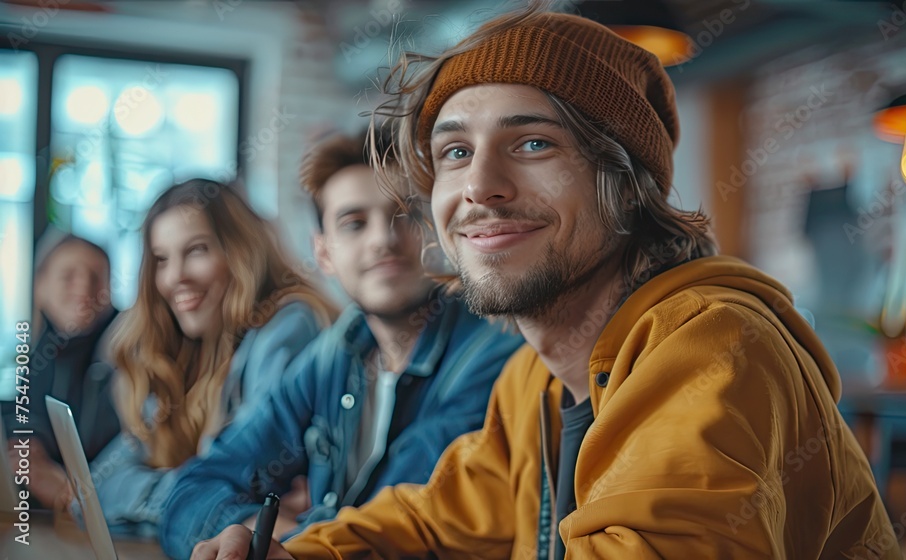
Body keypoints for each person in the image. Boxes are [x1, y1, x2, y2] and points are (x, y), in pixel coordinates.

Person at [194, 6, 901, 560]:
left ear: (624, 187)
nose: (479, 187)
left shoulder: (714, 348)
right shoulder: (534, 384)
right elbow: (433, 520)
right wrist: (302, 553)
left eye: (533, 143)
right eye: (455, 152)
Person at [160, 133, 523, 559]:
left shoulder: (491, 354)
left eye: (404, 214)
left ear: (437, 228)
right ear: (323, 253)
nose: (382, 240)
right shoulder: (336, 353)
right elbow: (190, 490)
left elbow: (392, 531)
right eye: (354, 223)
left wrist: (286, 542)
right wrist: (250, 533)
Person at [89, 179, 336, 537]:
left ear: (239, 251)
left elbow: (251, 477)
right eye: (161, 259)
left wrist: (188, 498)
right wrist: (190, 497)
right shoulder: (189, 349)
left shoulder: (287, 324)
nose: (175, 277)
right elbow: (99, 486)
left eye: (196, 250)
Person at [3, 230, 120, 511]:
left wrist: (68, 487)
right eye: (68, 275)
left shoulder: (128, 350)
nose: (83, 287)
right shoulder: (38, 355)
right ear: (39, 287)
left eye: (95, 277)